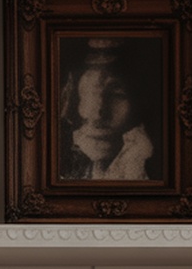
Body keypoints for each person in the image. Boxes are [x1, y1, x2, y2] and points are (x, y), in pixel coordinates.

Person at [59, 38, 159, 181]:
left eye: (116, 95)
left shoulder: (147, 165)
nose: (98, 113)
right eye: (89, 93)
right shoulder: (73, 164)